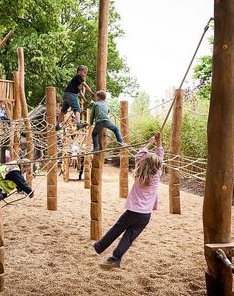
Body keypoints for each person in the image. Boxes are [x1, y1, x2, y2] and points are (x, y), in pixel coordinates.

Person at [93, 132, 164, 269]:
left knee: (116, 229)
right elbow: (160, 157)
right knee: (129, 237)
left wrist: (150, 143)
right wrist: (159, 143)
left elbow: (139, 155)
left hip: (132, 212)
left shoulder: (139, 172)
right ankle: (115, 258)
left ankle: (100, 246)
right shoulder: (157, 175)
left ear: (142, 162)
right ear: (157, 167)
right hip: (145, 215)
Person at [55, 65, 95, 131]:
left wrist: (84, 99)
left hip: (66, 95)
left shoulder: (77, 81)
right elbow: (86, 85)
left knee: (63, 111)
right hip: (71, 94)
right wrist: (91, 93)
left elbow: (80, 92)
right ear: (80, 71)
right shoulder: (78, 77)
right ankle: (78, 124)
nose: (85, 74)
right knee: (77, 109)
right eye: (84, 72)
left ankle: (57, 125)